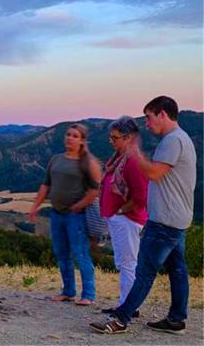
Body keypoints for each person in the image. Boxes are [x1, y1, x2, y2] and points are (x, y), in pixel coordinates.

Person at [90, 96, 196, 335]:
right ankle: (176, 318)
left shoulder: (173, 140)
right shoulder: (181, 139)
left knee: (144, 270)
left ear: (162, 114)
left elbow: (155, 174)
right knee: (177, 270)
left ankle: (120, 318)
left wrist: (136, 154)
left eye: (149, 117)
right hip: (176, 218)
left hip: (164, 221)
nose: (146, 123)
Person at [29, 123, 101, 306]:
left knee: (80, 253)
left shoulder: (88, 163)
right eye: (68, 134)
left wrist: (78, 206)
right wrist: (35, 206)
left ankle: (88, 294)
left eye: (75, 136)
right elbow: (46, 185)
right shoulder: (56, 159)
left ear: (82, 141)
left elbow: (95, 191)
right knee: (61, 253)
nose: (70, 138)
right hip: (56, 213)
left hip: (75, 216)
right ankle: (68, 291)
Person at [99, 116, 148, 316]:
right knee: (123, 261)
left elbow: (142, 195)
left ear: (128, 138)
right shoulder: (120, 158)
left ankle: (128, 307)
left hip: (128, 220)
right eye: (111, 137)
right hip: (120, 219)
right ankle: (124, 303)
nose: (111, 141)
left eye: (115, 137)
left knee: (128, 262)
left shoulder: (133, 161)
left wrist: (122, 211)